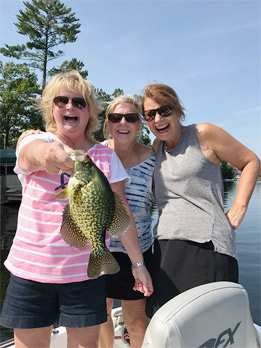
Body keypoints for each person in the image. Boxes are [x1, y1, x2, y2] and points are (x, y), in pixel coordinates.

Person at [0, 70, 153, 348]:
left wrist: (138, 265)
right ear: (51, 108)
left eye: (79, 102)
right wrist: (47, 154)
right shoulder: (36, 141)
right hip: (31, 272)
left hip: (85, 275)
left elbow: (122, 211)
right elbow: (32, 153)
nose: (70, 106)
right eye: (62, 100)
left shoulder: (106, 156)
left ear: (89, 111)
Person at [141, 83, 260, 319]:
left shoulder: (202, 133)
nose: (158, 119)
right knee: (166, 324)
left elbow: (251, 161)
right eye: (150, 114)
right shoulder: (157, 147)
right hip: (165, 244)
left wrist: (239, 207)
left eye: (164, 110)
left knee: (204, 328)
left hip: (206, 244)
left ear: (177, 111)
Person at [99, 95, 156, 348]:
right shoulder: (95, 155)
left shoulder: (154, 158)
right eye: (115, 117)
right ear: (108, 123)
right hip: (100, 250)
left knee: (136, 321)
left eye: (131, 117)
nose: (123, 122)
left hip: (138, 252)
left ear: (139, 124)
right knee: (101, 316)